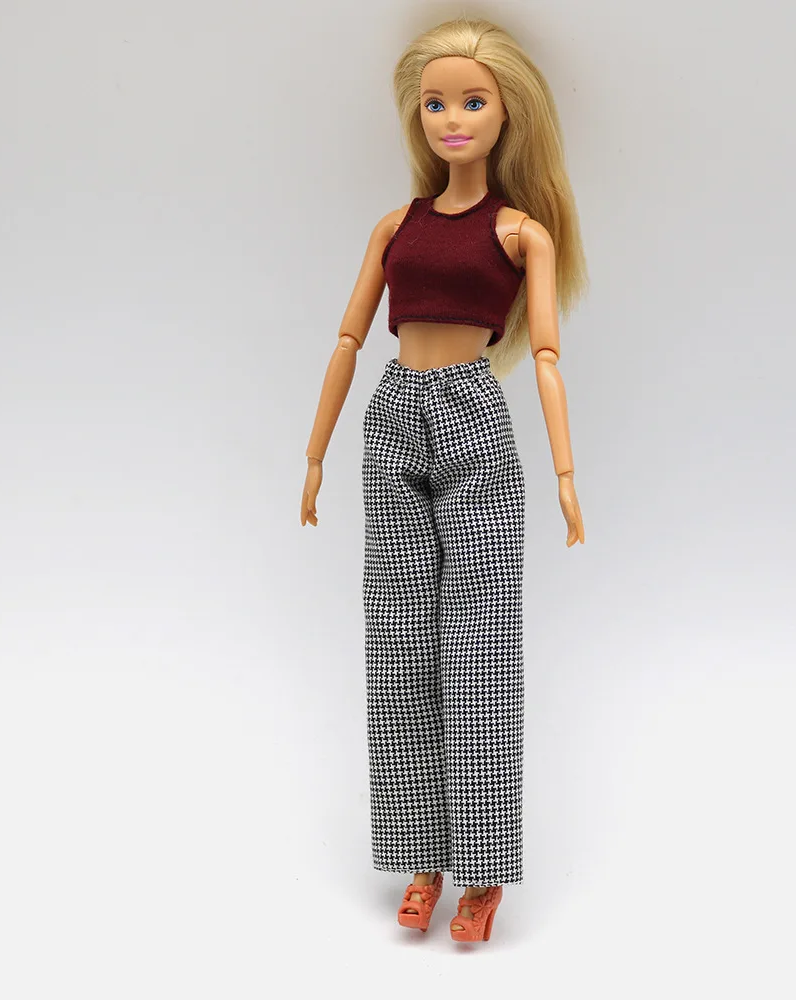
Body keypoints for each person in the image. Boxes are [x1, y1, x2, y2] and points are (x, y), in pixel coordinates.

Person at [300, 16, 586, 942]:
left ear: (507, 115)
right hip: (393, 414)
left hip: (472, 415)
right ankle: (422, 857)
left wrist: (565, 472)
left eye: (472, 101)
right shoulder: (396, 225)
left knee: (479, 648)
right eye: (435, 103)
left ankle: (485, 872)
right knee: (397, 642)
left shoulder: (521, 233)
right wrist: (315, 455)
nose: (452, 119)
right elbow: (349, 338)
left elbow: (547, 357)